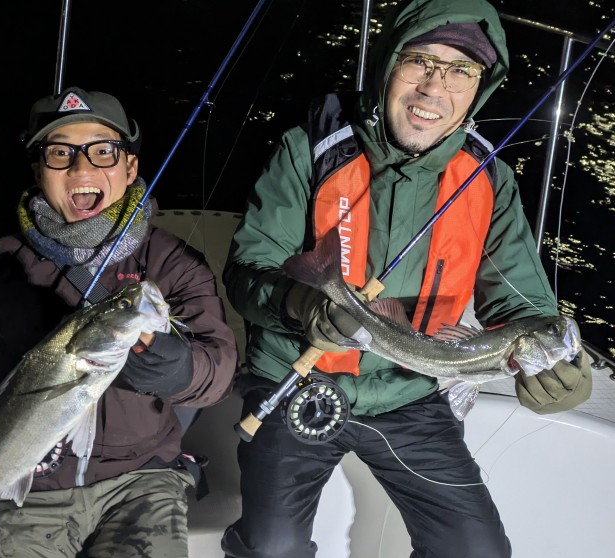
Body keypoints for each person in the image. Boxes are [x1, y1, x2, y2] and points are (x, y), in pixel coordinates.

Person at [220, 0, 592, 557]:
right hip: (298, 379)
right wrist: (300, 304)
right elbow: (246, 273)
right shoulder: (309, 148)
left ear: (481, 88)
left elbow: (525, 307)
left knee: (477, 551)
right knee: (270, 547)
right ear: (387, 65)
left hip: (412, 394)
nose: (434, 88)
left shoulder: (489, 179)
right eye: (420, 61)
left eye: (461, 70)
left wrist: (562, 374)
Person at [0, 86, 238, 558]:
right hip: (32, 481)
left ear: (130, 167)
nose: (81, 168)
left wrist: (179, 369)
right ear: (38, 170)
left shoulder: (173, 262)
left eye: (103, 151)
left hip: (142, 479)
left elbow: (217, 372)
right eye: (60, 153)